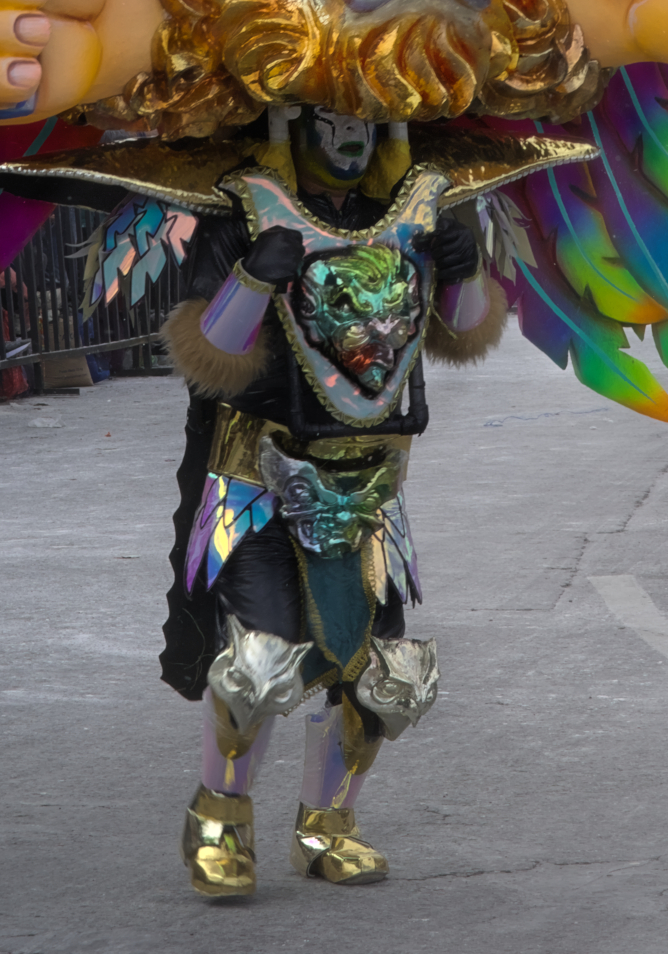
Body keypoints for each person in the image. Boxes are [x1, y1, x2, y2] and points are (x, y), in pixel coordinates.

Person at [159, 105, 490, 896]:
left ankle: (328, 825)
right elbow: (212, 353)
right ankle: (219, 821)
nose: (351, 139)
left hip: (371, 476)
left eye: (366, 122)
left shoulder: (412, 213)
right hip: (261, 472)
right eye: (332, 121)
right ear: (291, 124)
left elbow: (462, 330)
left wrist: (465, 268)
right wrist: (253, 275)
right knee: (259, 666)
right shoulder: (242, 213)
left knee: (383, 673)